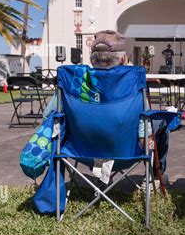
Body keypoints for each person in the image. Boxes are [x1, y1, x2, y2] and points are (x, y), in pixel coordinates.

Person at [43, 30, 171, 185]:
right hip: (126, 153)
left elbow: (48, 115)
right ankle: (155, 177)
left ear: (92, 58)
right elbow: (145, 133)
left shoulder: (74, 81)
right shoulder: (133, 81)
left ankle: (103, 175)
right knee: (161, 123)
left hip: (81, 152)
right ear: (123, 58)